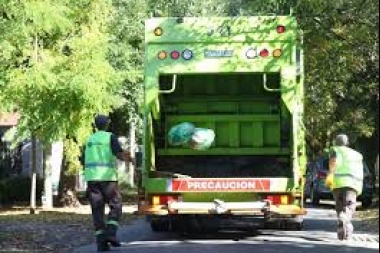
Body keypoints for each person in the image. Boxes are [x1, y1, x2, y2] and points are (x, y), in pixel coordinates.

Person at [83, 114, 133, 251]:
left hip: (92, 179)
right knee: (116, 205)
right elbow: (119, 155)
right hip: (107, 178)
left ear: (95, 125)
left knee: (97, 210)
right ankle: (111, 233)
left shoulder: (89, 140)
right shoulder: (110, 137)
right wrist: (131, 159)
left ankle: (101, 244)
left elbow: (83, 159)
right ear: (107, 124)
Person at [328, 134, 364, 241]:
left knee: (340, 207)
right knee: (349, 207)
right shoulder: (357, 155)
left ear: (336, 142)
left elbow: (333, 162)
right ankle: (345, 229)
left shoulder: (335, 150)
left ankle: (344, 233)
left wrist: (330, 173)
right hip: (353, 185)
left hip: (338, 183)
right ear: (347, 143)